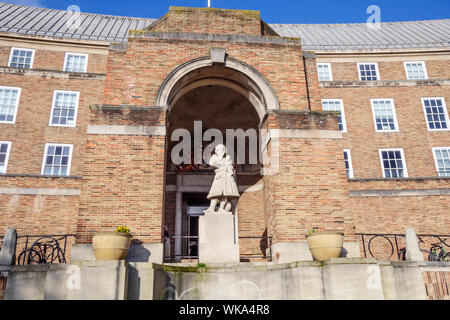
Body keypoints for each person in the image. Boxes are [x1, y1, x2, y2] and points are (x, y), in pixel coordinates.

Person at [204, 144, 240, 214]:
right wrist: (221, 166)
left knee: (224, 194)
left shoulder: (227, 158)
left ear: (225, 150)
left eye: (223, 149)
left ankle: (221, 208)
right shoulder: (214, 157)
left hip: (226, 178)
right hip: (219, 177)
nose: (221, 151)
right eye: (219, 149)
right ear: (216, 151)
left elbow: (230, 166)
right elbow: (212, 163)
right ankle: (211, 208)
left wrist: (226, 168)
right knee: (215, 193)